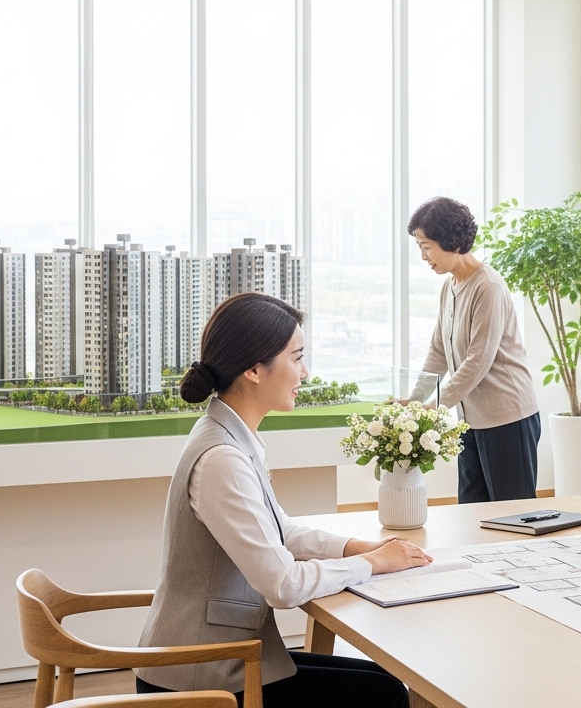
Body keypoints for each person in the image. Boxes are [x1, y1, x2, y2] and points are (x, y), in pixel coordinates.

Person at [136, 292, 432, 706]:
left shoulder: (232, 435)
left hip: (224, 657)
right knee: (382, 695)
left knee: (382, 680)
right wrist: (370, 564)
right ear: (255, 369)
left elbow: (281, 530)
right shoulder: (222, 459)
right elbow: (283, 585)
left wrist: (358, 548)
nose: (305, 372)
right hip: (202, 676)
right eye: (296, 358)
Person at [406, 197, 541, 503]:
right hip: (471, 419)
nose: (424, 256)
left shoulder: (487, 287)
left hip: (507, 418)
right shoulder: (449, 286)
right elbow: (438, 353)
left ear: (451, 242)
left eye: (426, 246)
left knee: (513, 512)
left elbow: (477, 361)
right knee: (471, 512)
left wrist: (434, 406)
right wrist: (415, 403)